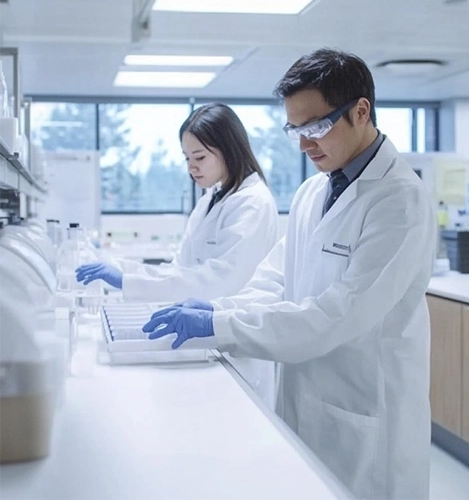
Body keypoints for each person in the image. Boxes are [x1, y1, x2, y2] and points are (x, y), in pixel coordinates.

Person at [141, 49, 436, 500]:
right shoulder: (313, 189)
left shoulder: (400, 201)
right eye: (295, 129)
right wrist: (218, 307)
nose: (304, 144)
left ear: (361, 111)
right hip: (305, 396)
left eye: (316, 126)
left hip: (365, 414)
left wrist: (220, 325)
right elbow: (274, 281)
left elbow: (337, 315)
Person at [76, 103, 279, 408]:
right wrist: (126, 273)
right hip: (202, 346)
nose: (191, 167)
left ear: (229, 149)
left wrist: (129, 279)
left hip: (236, 353)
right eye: (187, 158)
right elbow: (182, 268)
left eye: (200, 157)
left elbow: (220, 281)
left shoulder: (252, 203)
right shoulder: (212, 197)